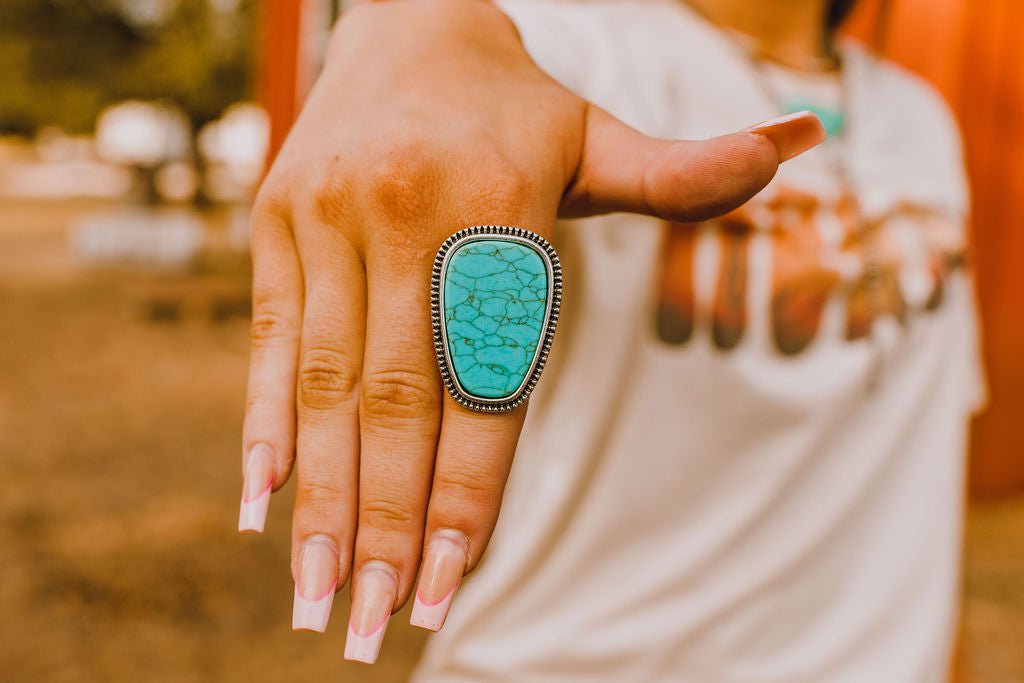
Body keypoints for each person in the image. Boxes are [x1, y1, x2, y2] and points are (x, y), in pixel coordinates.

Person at [237, 0, 983, 679]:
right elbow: (458, 59)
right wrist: (408, 32)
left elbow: (917, 465)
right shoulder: (581, 47)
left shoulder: (921, 118)